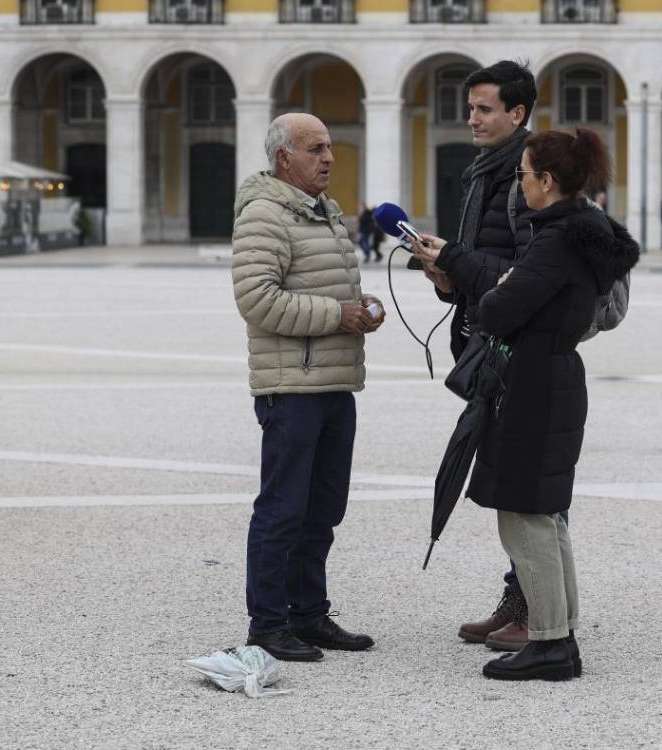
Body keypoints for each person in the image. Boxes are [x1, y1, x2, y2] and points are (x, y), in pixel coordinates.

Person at [470, 128, 638, 680]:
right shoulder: (584, 234)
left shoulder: (557, 238)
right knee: (545, 513)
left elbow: (498, 311)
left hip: (535, 382)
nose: (519, 185)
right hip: (555, 374)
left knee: (524, 516)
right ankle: (557, 634)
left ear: (546, 181)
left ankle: (548, 642)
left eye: (523, 175)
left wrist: (499, 291)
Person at [229, 113, 386, 662]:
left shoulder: (322, 214)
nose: (329, 157)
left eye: (329, 147)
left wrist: (361, 310)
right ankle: (268, 624)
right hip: (291, 386)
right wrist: (337, 315)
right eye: (315, 148)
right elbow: (257, 299)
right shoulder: (265, 215)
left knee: (323, 508)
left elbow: (322, 287)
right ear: (283, 159)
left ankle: (309, 614)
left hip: (334, 382)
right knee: (282, 509)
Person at [406, 59, 538, 651]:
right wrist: (445, 276)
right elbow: (478, 267)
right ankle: (520, 595)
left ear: (517, 113)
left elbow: (533, 277)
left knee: (530, 480)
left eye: (485, 109)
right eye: (470, 108)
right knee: (506, 476)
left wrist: (458, 262)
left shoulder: (534, 177)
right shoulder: (482, 173)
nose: (472, 119)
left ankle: (536, 606)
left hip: (522, 350)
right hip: (483, 341)